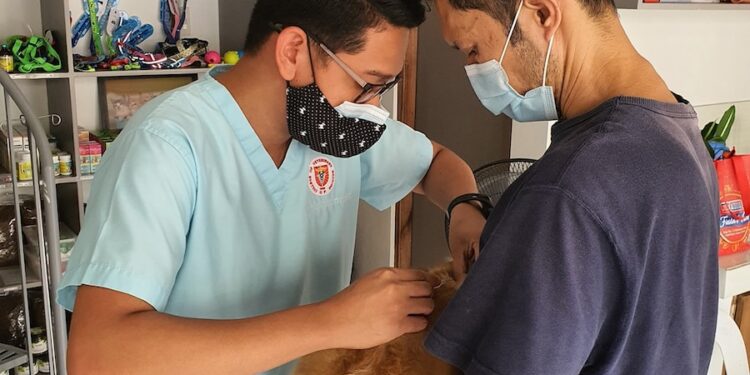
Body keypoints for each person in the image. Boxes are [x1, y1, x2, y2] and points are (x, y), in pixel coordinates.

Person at [58, 1, 488, 374]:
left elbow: (434, 162)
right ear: (293, 51)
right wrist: (330, 323)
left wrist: (465, 212)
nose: (373, 107)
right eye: (366, 84)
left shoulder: (336, 130)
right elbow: (98, 356)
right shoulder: (168, 145)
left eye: (383, 88)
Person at [425, 0, 719, 374]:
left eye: (472, 50)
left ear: (543, 14)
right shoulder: (679, 133)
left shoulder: (567, 190)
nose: (473, 70)